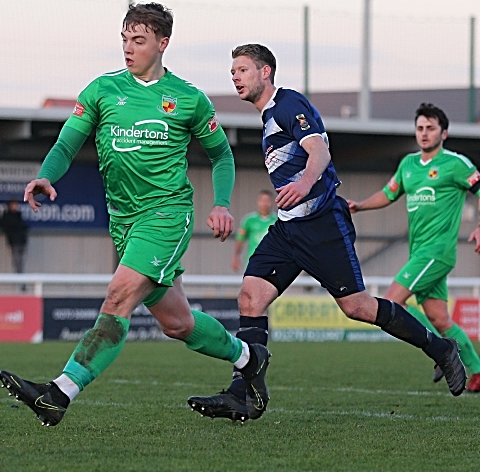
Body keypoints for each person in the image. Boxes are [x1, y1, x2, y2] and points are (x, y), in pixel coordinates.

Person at [0, 3, 269, 427]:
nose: (128, 48)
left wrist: (220, 203)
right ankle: (250, 357)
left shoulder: (187, 98)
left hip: (166, 215)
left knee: (117, 297)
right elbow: (68, 142)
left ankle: (59, 393)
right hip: (124, 222)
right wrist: (46, 175)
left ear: (163, 43)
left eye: (138, 40)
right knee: (178, 324)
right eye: (124, 39)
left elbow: (222, 156)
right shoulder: (101, 90)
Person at [187, 44, 466, 422]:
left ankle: (441, 349)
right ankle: (244, 394)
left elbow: (319, 151)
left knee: (358, 307)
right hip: (288, 230)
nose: (235, 76)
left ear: (265, 72)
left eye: (242, 70)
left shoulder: (287, 103)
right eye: (232, 71)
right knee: (251, 298)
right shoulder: (269, 116)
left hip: (321, 225)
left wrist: (304, 183)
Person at [347, 103, 480, 393]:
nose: (424, 133)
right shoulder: (408, 164)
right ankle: (478, 371)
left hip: (437, 253)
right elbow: (389, 193)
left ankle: (441, 349)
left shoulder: (456, 163)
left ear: (444, 133)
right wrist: (360, 206)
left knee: (393, 302)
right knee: (439, 318)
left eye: (430, 128)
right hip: (418, 253)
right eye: (420, 128)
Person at [232, 190, 277, 272]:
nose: (265, 204)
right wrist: (236, 257)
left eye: (267, 201)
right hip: (253, 261)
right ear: (258, 202)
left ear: (271, 202)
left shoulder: (277, 220)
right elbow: (240, 239)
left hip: (272, 262)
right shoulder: (249, 220)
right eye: (262, 201)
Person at [0, 200, 29, 274]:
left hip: (22, 240)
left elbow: (24, 227)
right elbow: (2, 224)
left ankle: (21, 276)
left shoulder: (19, 216)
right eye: (14, 205)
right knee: (17, 260)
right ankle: (19, 276)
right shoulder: (8, 216)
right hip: (14, 240)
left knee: (20, 259)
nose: (15, 207)